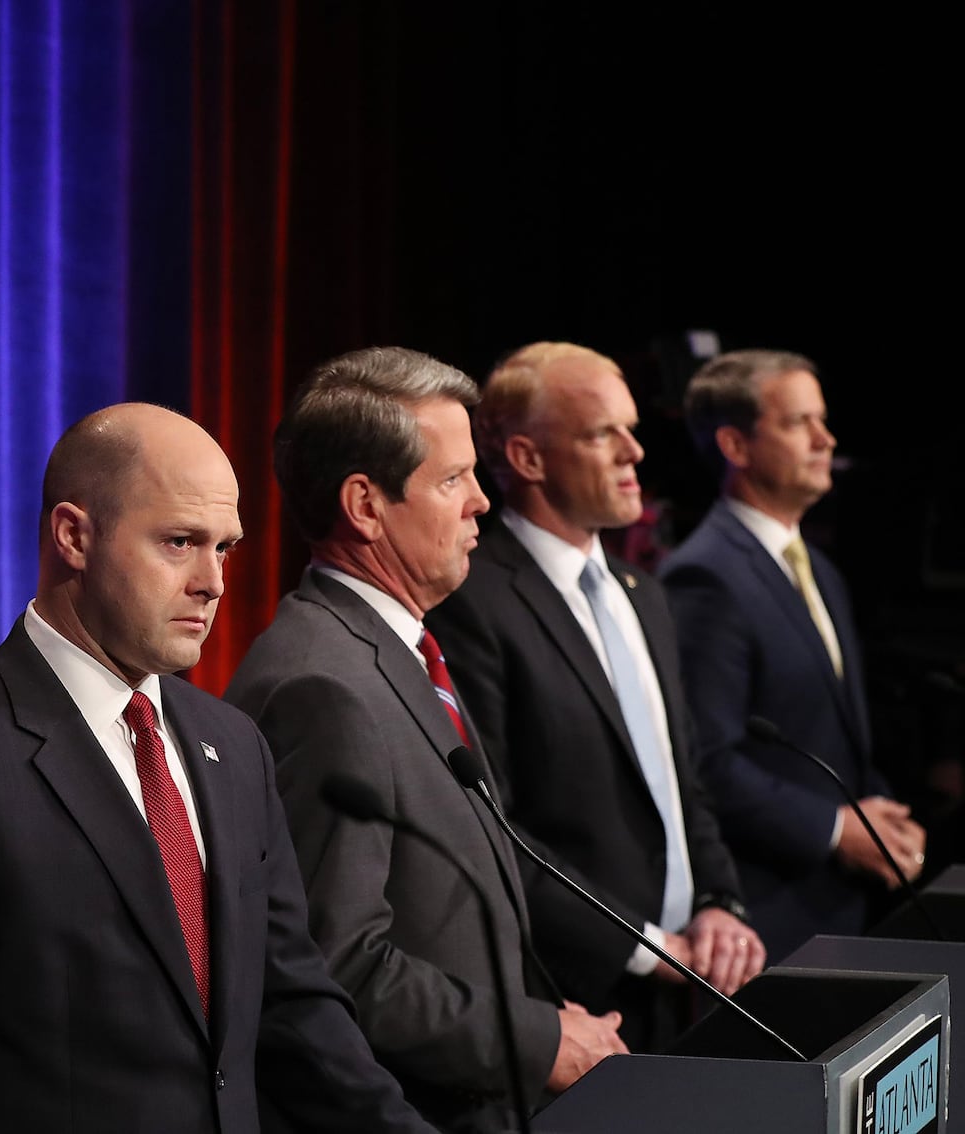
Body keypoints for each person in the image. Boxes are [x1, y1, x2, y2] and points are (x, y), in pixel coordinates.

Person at [0, 403, 436, 1134]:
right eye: (180, 542)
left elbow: (292, 1006)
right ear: (73, 536)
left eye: (225, 549)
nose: (212, 582)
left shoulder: (235, 745)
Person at [224, 347, 626, 1132]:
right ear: (365, 506)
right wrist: (536, 1038)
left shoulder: (399, 651)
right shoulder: (324, 688)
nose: (482, 501)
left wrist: (545, 1017)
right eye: (452, 480)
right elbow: (338, 967)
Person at [426, 342, 764, 1051]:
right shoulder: (472, 602)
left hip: (690, 989)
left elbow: (682, 782)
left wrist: (718, 903)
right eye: (602, 434)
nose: (634, 452)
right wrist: (645, 948)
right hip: (572, 999)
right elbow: (493, 828)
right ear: (526, 458)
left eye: (632, 429)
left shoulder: (645, 594)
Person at [660, 349, 923, 958]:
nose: (825, 439)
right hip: (775, 916)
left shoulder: (821, 570)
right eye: (798, 423)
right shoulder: (705, 577)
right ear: (735, 444)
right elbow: (708, 761)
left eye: (822, 420)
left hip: (842, 900)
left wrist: (882, 819)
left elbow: (829, 735)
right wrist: (835, 830)